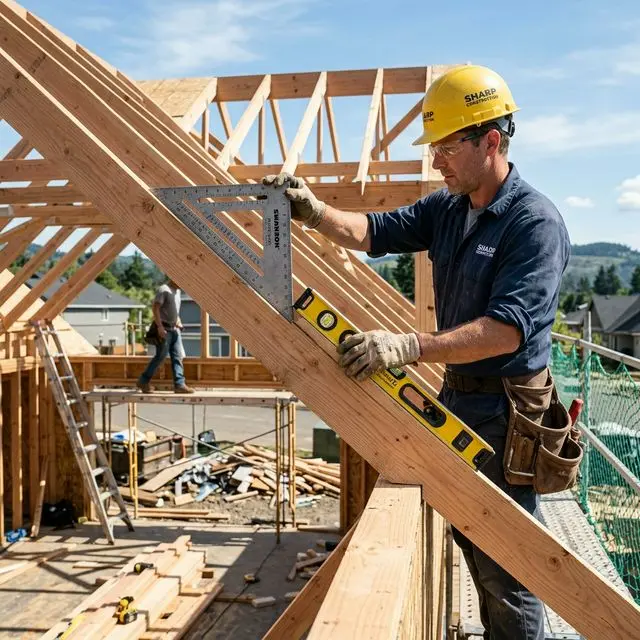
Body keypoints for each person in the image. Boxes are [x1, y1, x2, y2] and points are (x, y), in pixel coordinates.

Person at [264, 65, 571, 640]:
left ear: (491, 142)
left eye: (447, 148)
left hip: (508, 416)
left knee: (509, 565)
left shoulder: (534, 224)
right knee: (473, 545)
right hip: (461, 398)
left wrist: (406, 345)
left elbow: (507, 331)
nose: (436, 161)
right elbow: (373, 232)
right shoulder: (450, 210)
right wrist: (312, 211)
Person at [137, 278, 194, 394]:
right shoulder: (164, 290)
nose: (183, 286)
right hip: (165, 329)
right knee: (160, 357)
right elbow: (155, 308)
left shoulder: (177, 292)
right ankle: (143, 381)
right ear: (174, 278)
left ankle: (179, 385)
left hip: (174, 329)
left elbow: (175, 312)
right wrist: (159, 327)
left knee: (178, 356)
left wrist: (178, 322)